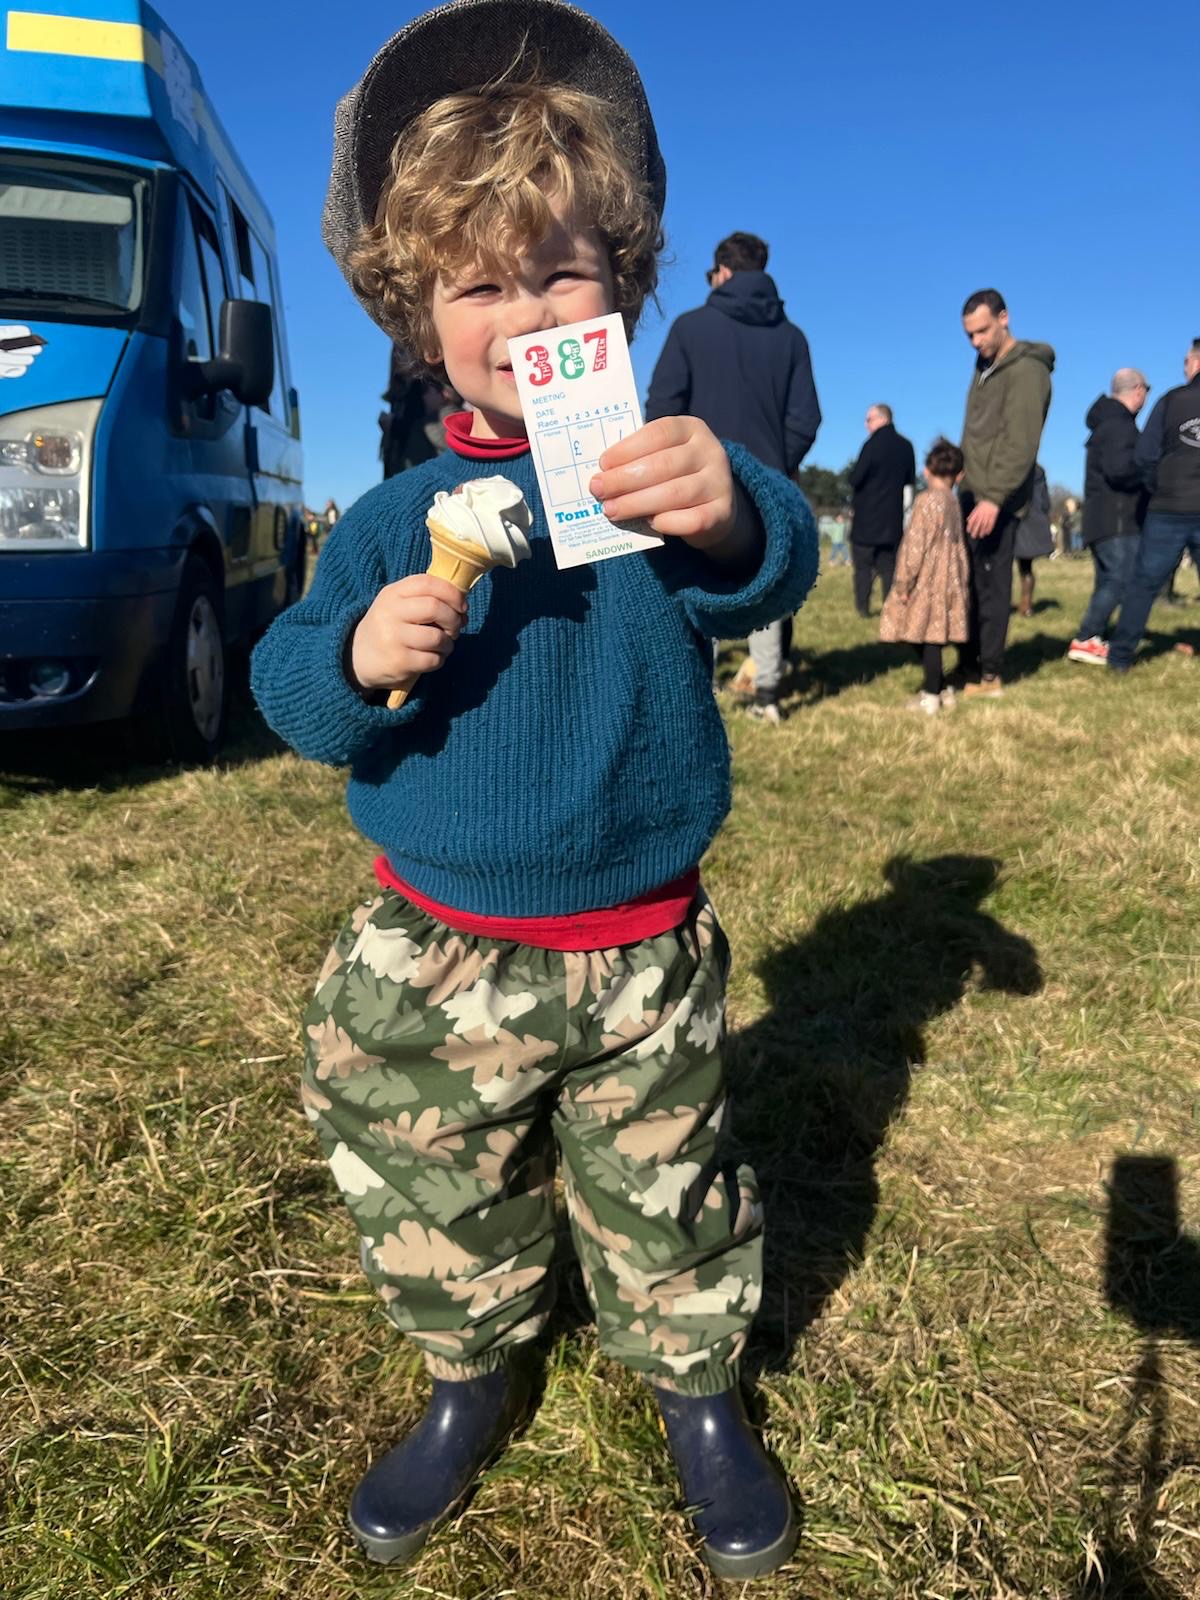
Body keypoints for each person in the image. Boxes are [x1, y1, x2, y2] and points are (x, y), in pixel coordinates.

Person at [251, 2, 817, 1578]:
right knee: (434, 1174)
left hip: (640, 945)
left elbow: (770, 560)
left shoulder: (650, 477)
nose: (523, 313)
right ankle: (468, 1372)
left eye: (560, 272)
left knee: (671, 1187)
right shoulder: (393, 517)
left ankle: (697, 1389)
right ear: (414, 311)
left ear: (621, 287)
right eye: (478, 284)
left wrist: (729, 511)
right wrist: (355, 653)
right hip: (435, 947)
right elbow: (292, 689)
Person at [647, 230, 820, 723]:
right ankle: (766, 694)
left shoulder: (690, 328)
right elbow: (806, 418)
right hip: (766, 482)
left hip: (695, 479)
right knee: (762, 575)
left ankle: (699, 686)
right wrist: (774, 467)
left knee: (695, 576)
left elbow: (662, 407)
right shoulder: (792, 338)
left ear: (722, 272)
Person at [957, 289, 1054, 697]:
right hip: (970, 492)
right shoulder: (985, 366)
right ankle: (968, 665)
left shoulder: (1027, 369)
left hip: (996, 500)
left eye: (982, 331)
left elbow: (1021, 442)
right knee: (968, 584)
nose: (976, 341)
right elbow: (979, 432)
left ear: (1004, 318)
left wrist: (994, 498)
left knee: (992, 588)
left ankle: (990, 675)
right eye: (969, 335)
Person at [1108, 339, 1200, 672]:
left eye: (1186, 361)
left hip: (1168, 507)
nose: (1183, 367)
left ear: (1195, 362)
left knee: (1144, 583)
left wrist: (1158, 487)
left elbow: (1145, 456)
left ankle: (1120, 657)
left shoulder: (1171, 400)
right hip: (1176, 505)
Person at [878, 438, 969, 714]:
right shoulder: (953, 501)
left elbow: (914, 544)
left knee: (923, 636)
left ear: (927, 470)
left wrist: (904, 582)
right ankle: (940, 687)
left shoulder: (926, 500)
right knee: (933, 636)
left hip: (927, 580)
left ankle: (931, 695)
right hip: (950, 579)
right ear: (959, 475)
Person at [1067, 369, 1149, 664]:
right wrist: (1149, 470)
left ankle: (1093, 638)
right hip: (1118, 518)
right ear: (1138, 390)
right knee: (1121, 578)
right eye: (1146, 389)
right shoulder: (1119, 425)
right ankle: (1086, 636)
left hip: (1102, 517)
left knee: (1108, 580)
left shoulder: (1107, 422)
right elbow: (1120, 470)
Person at [847, 403, 916, 617]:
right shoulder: (906, 446)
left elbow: (856, 478)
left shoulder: (871, 445)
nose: (866, 424)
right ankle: (890, 607)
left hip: (866, 521)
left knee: (863, 568)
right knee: (889, 568)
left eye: (869, 419)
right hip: (892, 520)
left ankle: (863, 608)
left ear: (882, 418)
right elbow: (910, 481)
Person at [1013, 464, 1053, 615]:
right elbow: (1046, 502)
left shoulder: (1012, 466)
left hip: (1016, 518)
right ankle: (1027, 605)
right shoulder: (1039, 471)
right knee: (1026, 567)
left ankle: (1007, 604)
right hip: (1034, 519)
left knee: (1005, 566)